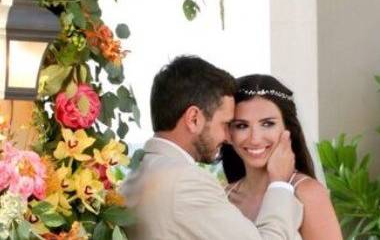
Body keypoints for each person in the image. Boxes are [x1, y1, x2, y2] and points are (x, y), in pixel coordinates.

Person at [120, 56, 303, 240]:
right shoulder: (186, 182)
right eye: (225, 124)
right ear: (194, 119)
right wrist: (279, 184)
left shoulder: (133, 178)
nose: (228, 138)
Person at [222, 75, 343, 240]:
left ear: (288, 128)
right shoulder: (223, 197)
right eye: (242, 126)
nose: (255, 138)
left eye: (267, 124)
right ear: (228, 133)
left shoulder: (308, 194)